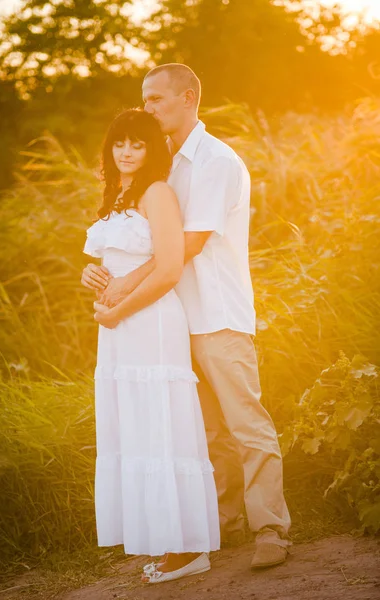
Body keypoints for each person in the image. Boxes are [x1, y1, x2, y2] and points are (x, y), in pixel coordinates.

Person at [82, 63, 291, 570]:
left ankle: (271, 528)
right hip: (169, 318)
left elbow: (189, 245)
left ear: (188, 97)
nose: (148, 108)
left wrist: (123, 287)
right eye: (145, 99)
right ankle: (221, 522)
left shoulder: (216, 161)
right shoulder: (161, 164)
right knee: (206, 431)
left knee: (245, 422)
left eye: (154, 99)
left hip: (216, 313)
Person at [83, 108, 220, 584]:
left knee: (163, 426)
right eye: (119, 142)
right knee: (138, 429)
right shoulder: (118, 194)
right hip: (119, 326)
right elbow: (116, 259)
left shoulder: (157, 193)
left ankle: (188, 549)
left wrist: (119, 310)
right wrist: (93, 275)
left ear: (151, 149)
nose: (125, 151)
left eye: (137, 143)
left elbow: (168, 267)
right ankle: (167, 541)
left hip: (151, 321)